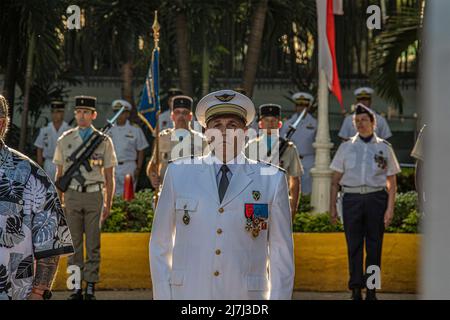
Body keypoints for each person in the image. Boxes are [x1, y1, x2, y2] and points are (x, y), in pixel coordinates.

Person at [149, 89, 294, 300]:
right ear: (206, 132)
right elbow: (160, 244)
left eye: (232, 126)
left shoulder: (271, 179)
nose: (224, 132)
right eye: (217, 126)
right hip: (190, 294)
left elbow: (281, 252)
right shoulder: (178, 173)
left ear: (245, 131)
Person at [0, 95, 74, 300]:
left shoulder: (30, 175)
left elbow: (50, 238)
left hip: (12, 293)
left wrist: (39, 292)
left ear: (1, 124)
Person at [329, 103, 401, 300]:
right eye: (357, 121)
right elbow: (334, 181)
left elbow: (392, 183)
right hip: (351, 199)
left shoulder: (384, 148)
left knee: (375, 247)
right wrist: (332, 208)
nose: (360, 123)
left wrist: (390, 209)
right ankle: (355, 289)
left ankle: (372, 290)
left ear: (373, 122)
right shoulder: (345, 148)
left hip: (376, 198)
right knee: (354, 246)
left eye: (364, 120)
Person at [54, 95, 117, 300]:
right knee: (73, 246)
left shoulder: (104, 141)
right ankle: (75, 288)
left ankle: (90, 286)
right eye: (79, 112)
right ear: (75, 114)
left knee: (93, 244)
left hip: (94, 195)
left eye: (86, 112)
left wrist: (109, 203)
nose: (82, 116)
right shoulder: (65, 139)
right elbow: (60, 174)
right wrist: (58, 200)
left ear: (93, 115)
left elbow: (109, 176)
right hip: (71, 195)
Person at [246, 103, 303, 219]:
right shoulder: (251, 146)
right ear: (260, 124)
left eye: (274, 120)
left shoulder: (289, 148)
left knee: (279, 234)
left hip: (280, 198)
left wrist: (293, 206)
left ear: (280, 124)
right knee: (257, 232)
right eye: (266, 120)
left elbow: (294, 179)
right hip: (256, 197)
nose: (270, 124)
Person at [147, 95, 207, 190]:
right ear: (172, 116)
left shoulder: (201, 140)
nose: (181, 116)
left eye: (185, 113)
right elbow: (153, 164)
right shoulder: (163, 138)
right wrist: (153, 176)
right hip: (167, 190)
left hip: (193, 191)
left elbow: (209, 169)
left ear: (190, 117)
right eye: (177, 112)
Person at [108, 99, 149, 195]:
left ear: (127, 114)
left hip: (129, 166)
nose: (118, 115)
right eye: (116, 112)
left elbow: (141, 150)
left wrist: (138, 168)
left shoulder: (135, 129)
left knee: (128, 196)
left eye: (121, 113)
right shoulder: (109, 129)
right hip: (112, 165)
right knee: (111, 196)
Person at [280, 92, 316, 194]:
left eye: (304, 105)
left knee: (308, 191)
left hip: (308, 160)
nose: (301, 108)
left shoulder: (315, 123)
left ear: (308, 107)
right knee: (290, 189)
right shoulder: (287, 123)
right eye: (299, 105)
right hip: (291, 159)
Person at [34, 100, 71, 181]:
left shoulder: (68, 129)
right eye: (53, 112)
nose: (55, 115)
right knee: (48, 189)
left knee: (62, 188)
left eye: (58, 112)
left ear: (63, 113)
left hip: (64, 163)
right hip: (49, 163)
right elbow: (39, 149)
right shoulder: (45, 129)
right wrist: (40, 167)